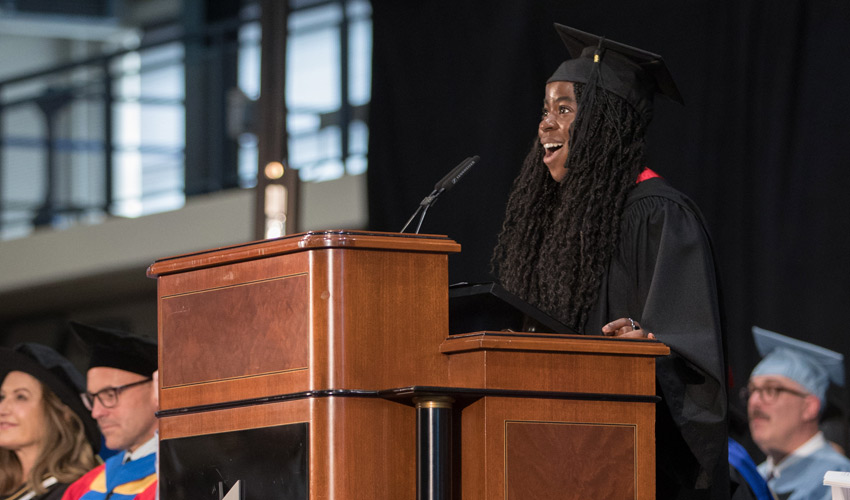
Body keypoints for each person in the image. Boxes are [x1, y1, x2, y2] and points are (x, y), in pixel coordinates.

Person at [491, 24, 728, 499]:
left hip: (632, 467)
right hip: (554, 457)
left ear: (604, 124)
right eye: (545, 110)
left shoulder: (657, 215)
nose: (545, 124)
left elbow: (695, 365)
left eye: (564, 109)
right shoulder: (555, 229)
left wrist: (650, 348)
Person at [746, 326, 850, 500]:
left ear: (809, 407)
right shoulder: (754, 476)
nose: (754, 402)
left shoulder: (841, 479)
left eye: (771, 389)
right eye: (752, 390)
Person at [61, 322, 158, 500]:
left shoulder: (180, 480)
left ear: (156, 388)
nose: (96, 412)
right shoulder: (81, 488)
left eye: (109, 394)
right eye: (93, 398)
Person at [0, 343, 100, 500]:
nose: (3, 409)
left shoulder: (78, 493)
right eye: (2, 397)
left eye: (21, 397)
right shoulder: (6, 489)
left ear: (61, 413)